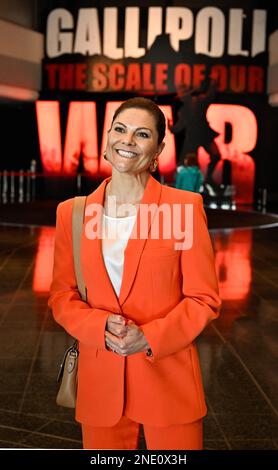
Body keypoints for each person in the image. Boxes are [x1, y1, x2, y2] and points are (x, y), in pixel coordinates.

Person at [48, 97, 221, 450]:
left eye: (142, 134)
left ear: (158, 149)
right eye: (120, 129)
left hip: (168, 381)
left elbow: (203, 299)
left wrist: (151, 337)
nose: (128, 141)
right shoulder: (73, 214)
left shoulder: (185, 209)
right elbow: (62, 296)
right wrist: (97, 327)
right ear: (108, 137)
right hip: (100, 382)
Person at [169, 78, 221, 189]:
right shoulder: (183, 110)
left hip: (204, 135)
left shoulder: (200, 101)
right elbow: (179, 127)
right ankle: (191, 186)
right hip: (192, 139)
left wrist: (213, 85)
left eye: (184, 95)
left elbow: (209, 97)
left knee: (216, 155)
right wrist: (171, 127)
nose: (183, 98)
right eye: (182, 96)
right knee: (189, 165)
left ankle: (207, 179)